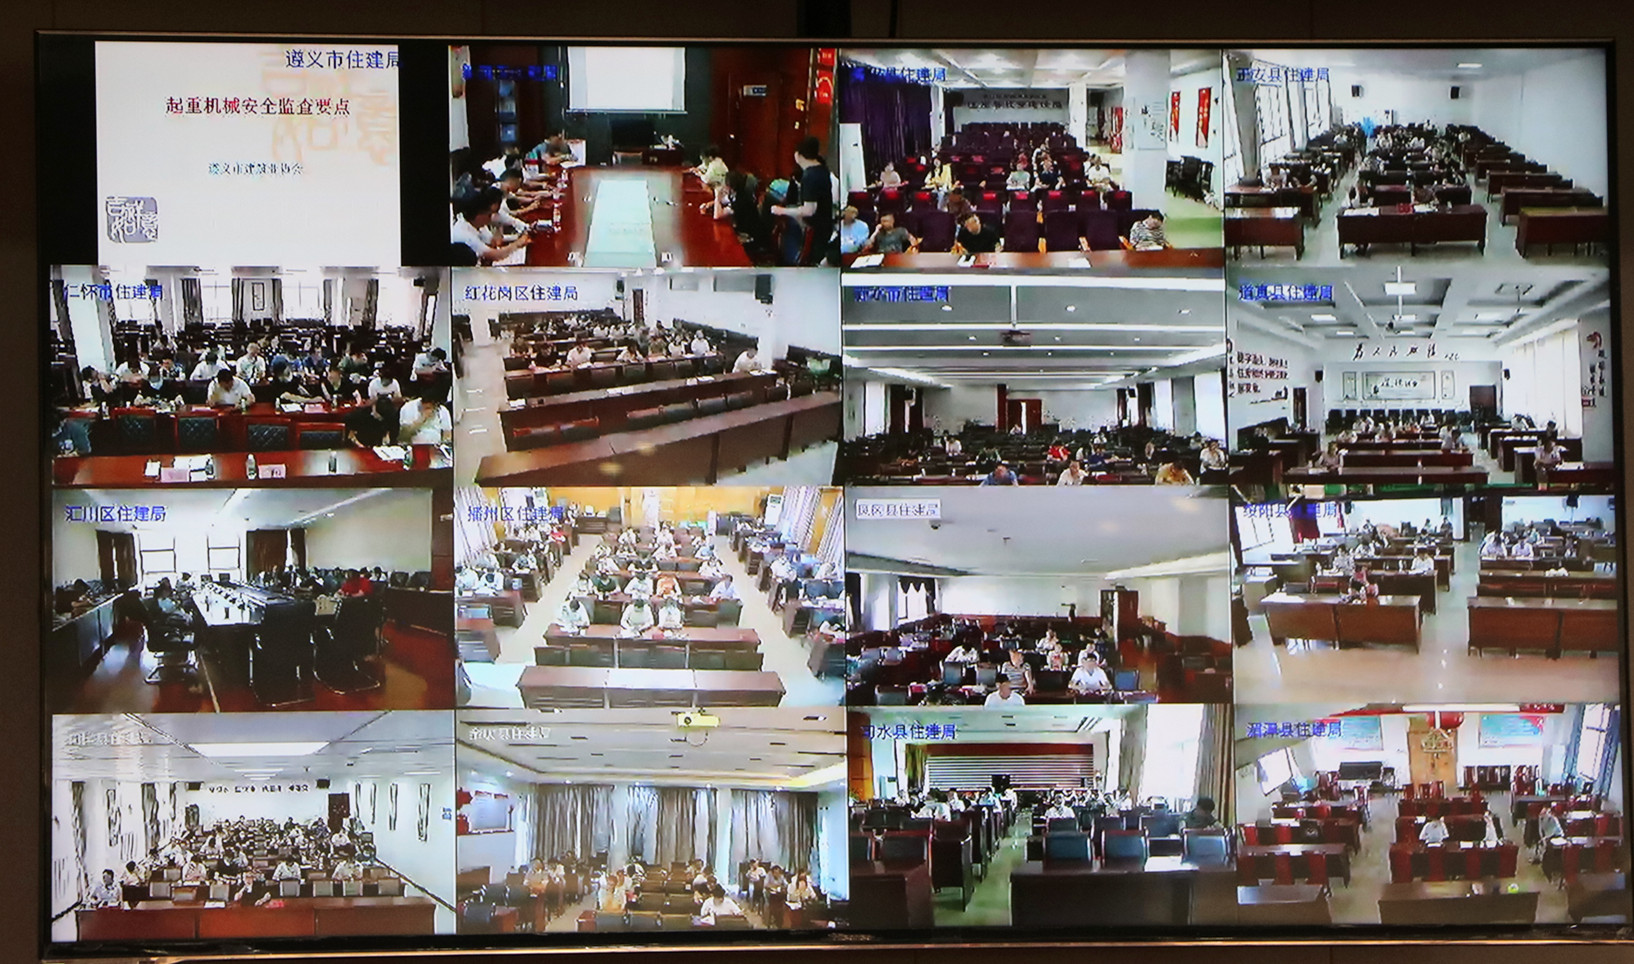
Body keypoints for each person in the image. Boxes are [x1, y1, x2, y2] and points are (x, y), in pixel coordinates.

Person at [768, 137, 834, 266]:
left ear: (798, 155)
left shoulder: (810, 176)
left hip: (813, 231)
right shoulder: (822, 170)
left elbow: (809, 210)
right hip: (824, 226)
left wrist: (781, 211)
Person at [452, 187, 533, 264]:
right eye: (489, 215)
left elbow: (493, 241)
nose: (490, 219)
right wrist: (517, 244)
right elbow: (494, 255)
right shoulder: (464, 234)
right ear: (479, 215)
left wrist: (505, 233)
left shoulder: (478, 224)